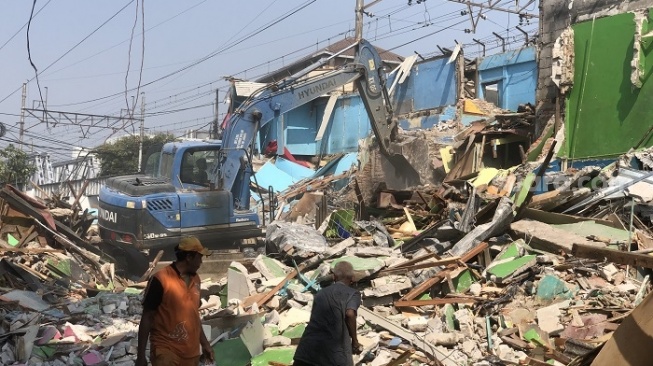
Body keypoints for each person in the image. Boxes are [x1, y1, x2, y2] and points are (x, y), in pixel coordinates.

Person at [136, 236, 215, 366]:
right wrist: (140, 356)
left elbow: (194, 316)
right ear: (189, 257)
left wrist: (205, 344)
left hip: (191, 353)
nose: (201, 262)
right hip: (166, 351)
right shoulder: (161, 280)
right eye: (199, 257)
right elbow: (147, 316)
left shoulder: (196, 280)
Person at [293, 260, 362, 366]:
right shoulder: (353, 294)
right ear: (352, 278)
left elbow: (313, 320)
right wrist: (355, 341)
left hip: (307, 351)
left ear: (334, 277)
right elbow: (350, 314)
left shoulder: (320, 294)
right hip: (334, 356)